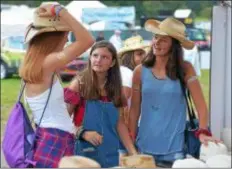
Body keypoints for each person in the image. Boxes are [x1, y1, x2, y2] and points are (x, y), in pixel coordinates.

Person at [128, 17, 220, 166]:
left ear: (174, 45)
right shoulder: (140, 71)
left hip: (175, 149)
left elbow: (201, 107)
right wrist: (131, 140)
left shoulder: (185, 69)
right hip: (144, 147)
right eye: (155, 37)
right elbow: (134, 109)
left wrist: (203, 131)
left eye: (164, 40)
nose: (157, 42)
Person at [19, 2, 94, 168]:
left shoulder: (34, 64)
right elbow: (87, 40)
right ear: (53, 38)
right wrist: (61, 11)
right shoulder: (48, 63)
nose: (68, 38)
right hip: (57, 137)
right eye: (65, 34)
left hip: (45, 135)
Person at [64, 41, 137, 168]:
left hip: (109, 152)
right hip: (83, 154)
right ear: (90, 58)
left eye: (104, 57)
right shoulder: (79, 85)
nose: (98, 60)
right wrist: (83, 133)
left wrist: (133, 152)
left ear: (113, 62)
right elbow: (63, 121)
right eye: (95, 55)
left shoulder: (117, 89)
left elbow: (120, 124)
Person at [118, 35, 148, 124]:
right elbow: (122, 105)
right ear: (129, 56)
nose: (144, 57)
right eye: (139, 54)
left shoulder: (129, 72)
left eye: (144, 53)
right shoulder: (126, 73)